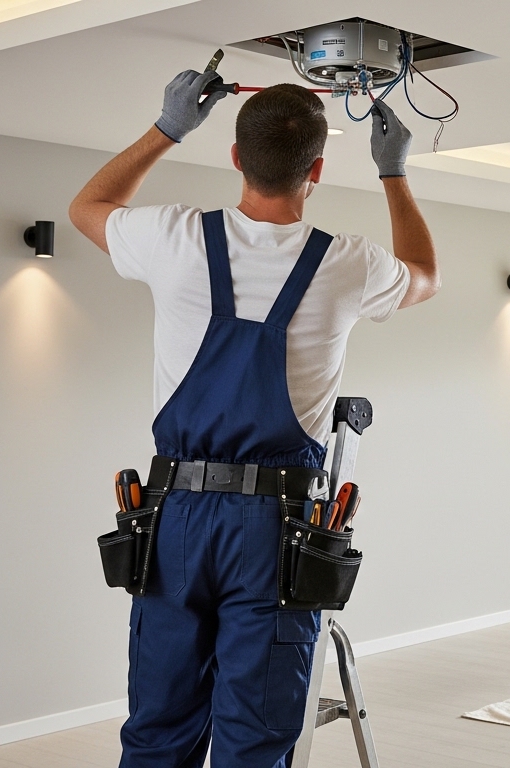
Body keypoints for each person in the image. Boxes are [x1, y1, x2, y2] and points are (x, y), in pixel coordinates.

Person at [69, 67, 438, 767]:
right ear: (318, 170)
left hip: (173, 517)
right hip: (275, 530)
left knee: (156, 731)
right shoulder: (348, 262)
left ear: (235, 157)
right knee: (256, 738)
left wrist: (168, 126)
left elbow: (89, 206)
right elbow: (425, 274)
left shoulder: (174, 236)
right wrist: (394, 172)